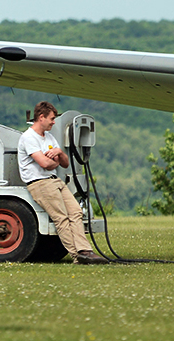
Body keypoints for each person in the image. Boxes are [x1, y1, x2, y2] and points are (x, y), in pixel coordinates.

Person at [17, 101, 109, 264]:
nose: (54, 122)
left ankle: (85, 250)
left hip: (55, 181)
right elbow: (44, 164)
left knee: (76, 212)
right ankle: (76, 256)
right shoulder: (28, 138)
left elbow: (65, 162)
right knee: (61, 217)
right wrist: (55, 161)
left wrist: (59, 152)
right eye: (52, 119)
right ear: (41, 117)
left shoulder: (49, 137)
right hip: (40, 183)